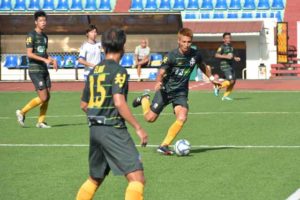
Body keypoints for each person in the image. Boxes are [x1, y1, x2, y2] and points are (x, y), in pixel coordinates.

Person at [76, 27, 148, 200]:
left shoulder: (94, 71)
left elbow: (84, 104)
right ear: (123, 47)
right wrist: (138, 128)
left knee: (95, 178)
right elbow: (118, 102)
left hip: (95, 129)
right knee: (137, 179)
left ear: (103, 47)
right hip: (113, 128)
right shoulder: (119, 71)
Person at [132, 28, 220, 155]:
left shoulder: (195, 54)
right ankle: (144, 99)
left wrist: (211, 78)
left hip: (181, 93)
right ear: (178, 41)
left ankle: (164, 145)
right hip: (165, 91)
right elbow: (161, 72)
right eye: (184, 41)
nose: (186, 44)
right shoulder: (171, 56)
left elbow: (202, 65)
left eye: (189, 42)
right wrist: (158, 81)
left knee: (182, 116)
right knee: (149, 118)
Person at [16, 10, 58, 128]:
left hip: (44, 69)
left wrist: (52, 59)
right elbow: (29, 54)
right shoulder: (31, 36)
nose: (43, 22)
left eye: (44, 20)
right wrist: (45, 60)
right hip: (35, 70)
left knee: (47, 97)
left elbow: (43, 53)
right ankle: (22, 112)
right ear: (36, 22)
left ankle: (41, 121)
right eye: (41, 20)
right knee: (43, 97)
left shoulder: (45, 37)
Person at [214, 32, 240, 101]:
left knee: (233, 82)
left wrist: (235, 58)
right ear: (224, 39)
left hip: (231, 65)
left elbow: (231, 56)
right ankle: (218, 86)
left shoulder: (231, 47)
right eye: (227, 38)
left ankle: (225, 96)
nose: (229, 39)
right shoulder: (222, 47)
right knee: (231, 81)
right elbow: (216, 55)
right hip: (225, 66)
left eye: (229, 38)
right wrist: (226, 56)